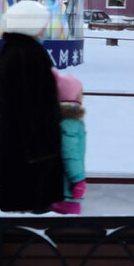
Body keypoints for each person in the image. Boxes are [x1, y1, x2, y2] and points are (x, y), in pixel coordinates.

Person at [0, 1, 64, 212]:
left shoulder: (13, 49)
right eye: (41, 23)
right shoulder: (27, 54)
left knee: (15, 212)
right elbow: (31, 106)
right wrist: (44, 151)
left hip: (15, 144)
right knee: (26, 217)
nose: (44, 28)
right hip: (27, 151)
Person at [51, 70, 87, 215]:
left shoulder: (54, 119)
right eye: (81, 93)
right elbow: (70, 153)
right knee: (70, 231)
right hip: (67, 190)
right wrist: (78, 179)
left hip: (52, 188)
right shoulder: (70, 121)